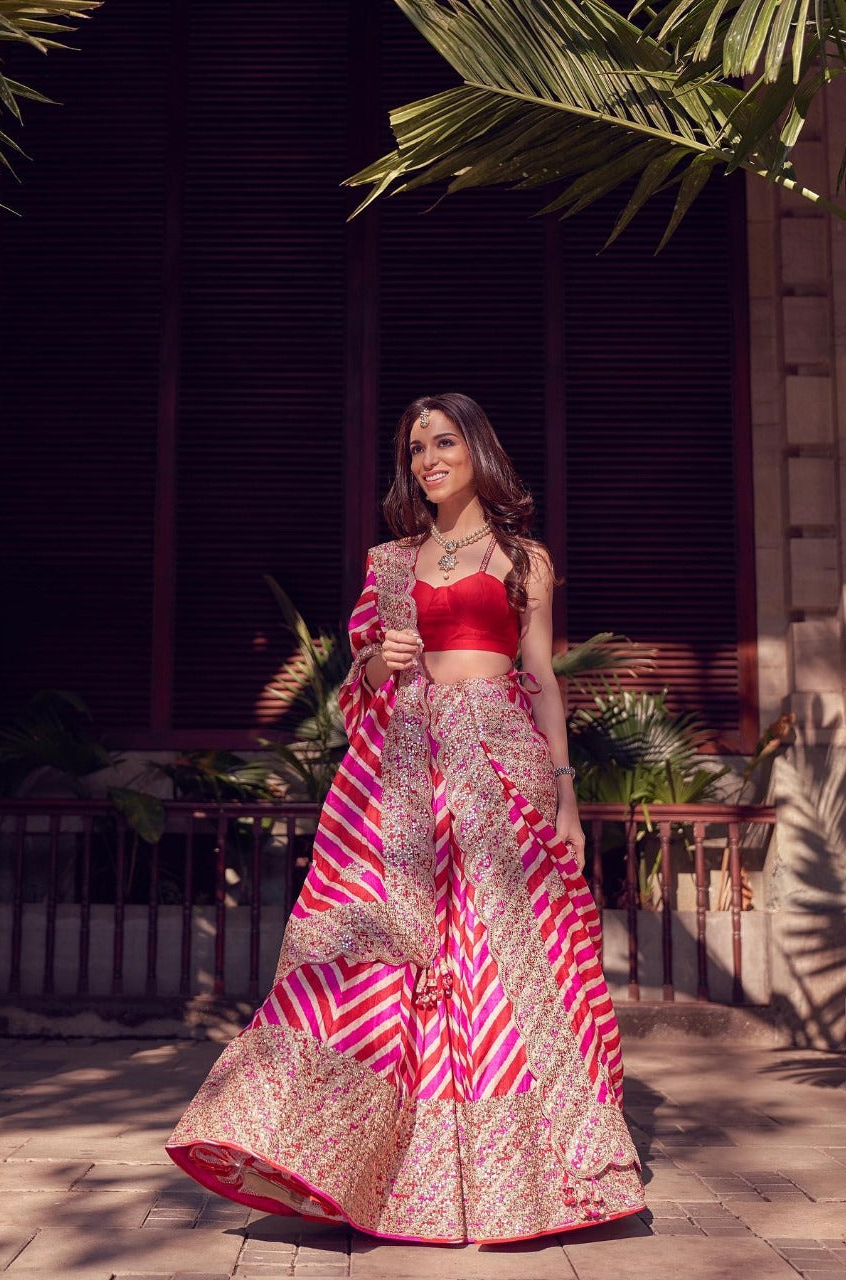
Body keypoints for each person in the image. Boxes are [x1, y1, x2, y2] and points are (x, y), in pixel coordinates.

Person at [166, 393, 645, 1243]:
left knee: (510, 965)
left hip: (503, 767)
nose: (427, 459)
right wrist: (375, 662)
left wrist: (566, 796)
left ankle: (532, 1179)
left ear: (477, 450)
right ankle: (361, 1159)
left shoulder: (524, 558)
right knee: (381, 959)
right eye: (415, 448)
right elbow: (363, 695)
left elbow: (542, 675)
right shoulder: (389, 564)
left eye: (443, 442)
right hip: (406, 780)